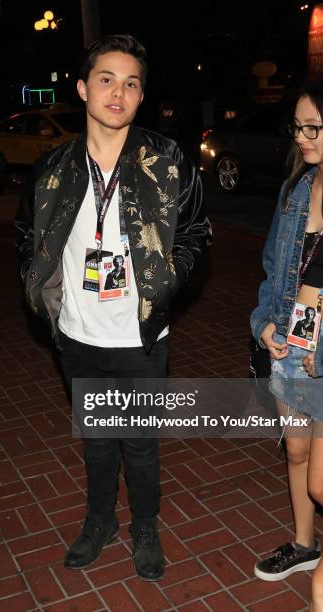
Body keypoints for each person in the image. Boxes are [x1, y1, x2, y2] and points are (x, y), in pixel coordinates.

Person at [15, 34, 211, 581]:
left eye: (130, 83)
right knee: (97, 442)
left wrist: (170, 279)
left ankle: (144, 526)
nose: (118, 92)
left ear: (141, 96)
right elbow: (26, 235)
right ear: (82, 89)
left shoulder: (168, 162)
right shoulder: (53, 168)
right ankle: (99, 520)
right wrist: (36, 288)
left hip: (141, 337)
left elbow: (196, 233)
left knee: (141, 445)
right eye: (106, 79)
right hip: (77, 335)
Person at [250, 80, 323, 610]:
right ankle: (304, 545)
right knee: (296, 450)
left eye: (313, 128)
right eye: (297, 126)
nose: (302, 137)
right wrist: (263, 324)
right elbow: (275, 266)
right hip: (289, 342)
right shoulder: (295, 190)